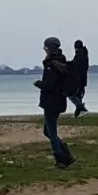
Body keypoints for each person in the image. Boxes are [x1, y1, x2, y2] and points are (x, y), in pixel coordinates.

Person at [35, 38, 75, 168]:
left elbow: (50, 85)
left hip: (51, 101)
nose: (44, 49)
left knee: (51, 132)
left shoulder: (51, 65)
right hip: (59, 101)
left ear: (51, 48)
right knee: (47, 131)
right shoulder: (60, 62)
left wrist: (39, 84)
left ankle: (61, 159)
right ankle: (65, 153)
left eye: (45, 47)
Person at [68, 39, 90, 117]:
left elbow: (75, 66)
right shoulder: (84, 54)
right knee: (78, 95)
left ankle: (82, 108)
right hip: (83, 78)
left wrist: (68, 64)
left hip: (78, 78)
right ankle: (77, 113)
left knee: (72, 95)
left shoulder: (79, 55)